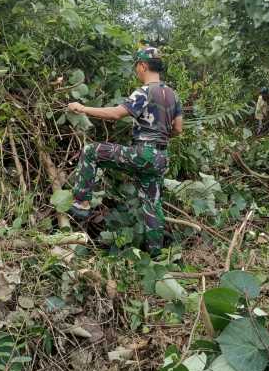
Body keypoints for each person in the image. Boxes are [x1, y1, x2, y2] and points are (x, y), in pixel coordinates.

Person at [66, 46, 183, 254]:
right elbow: (178, 129)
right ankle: (157, 255)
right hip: (161, 158)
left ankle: (81, 202)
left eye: (137, 67)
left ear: (143, 65)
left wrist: (82, 108)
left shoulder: (145, 91)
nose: (137, 71)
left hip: (143, 153)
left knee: (92, 151)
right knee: (152, 205)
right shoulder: (173, 95)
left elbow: (116, 114)